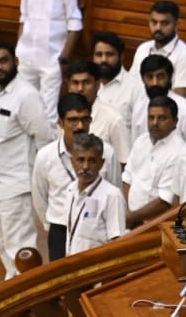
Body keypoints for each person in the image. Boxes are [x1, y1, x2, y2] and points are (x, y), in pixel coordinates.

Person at [0, 41, 52, 280]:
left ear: (15, 61)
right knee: (3, 245)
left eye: (3, 61)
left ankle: (24, 300)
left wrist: (44, 182)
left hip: (16, 187)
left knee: (20, 249)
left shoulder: (27, 95)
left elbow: (44, 139)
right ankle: (13, 293)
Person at [32, 93, 120, 261]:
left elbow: (114, 188)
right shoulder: (45, 156)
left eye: (85, 119)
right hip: (60, 230)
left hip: (96, 231)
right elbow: (40, 198)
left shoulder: (107, 153)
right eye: (73, 120)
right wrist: (51, 224)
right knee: (62, 284)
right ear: (60, 122)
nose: (80, 126)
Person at [16, 0, 82, 122]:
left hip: (51, 61)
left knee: (47, 116)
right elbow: (23, 19)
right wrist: (18, 51)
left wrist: (63, 59)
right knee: (22, 109)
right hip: (26, 60)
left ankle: (45, 146)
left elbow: (75, 24)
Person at [122, 96, 186, 228]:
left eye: (162, 118)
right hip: (131, 221)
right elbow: (127, 180)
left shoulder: (180, 152)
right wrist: (128, 213)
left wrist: (132, 217)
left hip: (154, 225)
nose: (155, 123)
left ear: (175, 121)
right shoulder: (141, 141)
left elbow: (165, 201)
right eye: (151, 118)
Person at [66, 132, 126, 255]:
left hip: (97, 269)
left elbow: (117, 241)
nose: (85, 166)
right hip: (72, 266)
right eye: (80, 160)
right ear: (72, 162)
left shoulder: (112, 195)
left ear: (101, 163)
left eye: (92, 161)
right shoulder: (70, 190)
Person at [129, 1, 186, 99]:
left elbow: (180, 99)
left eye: (164, 23)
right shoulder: (143, 49)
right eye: (154, 22)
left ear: (176, 24)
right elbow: (131, 85)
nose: (158, 28)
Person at [66, 60, 131, 165]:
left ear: (97, 85)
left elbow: (123, 162)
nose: (80, 89)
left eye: (86, 83)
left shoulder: (113, 119)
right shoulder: (64, 115)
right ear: (68, 85)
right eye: (75, 83)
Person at [131, 55, 186, 144]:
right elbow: (135, 144)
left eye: (160, 77)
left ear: (170, 78)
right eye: (150, 77)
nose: (155, 83)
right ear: (143, 79)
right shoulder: (139, 107)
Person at [92, 31, 145, 132]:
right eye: (99, 54)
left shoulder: (136, 88)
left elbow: (141, 131)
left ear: (121, 56)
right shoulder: (86, 85)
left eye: (109, 54)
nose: (104, 60)